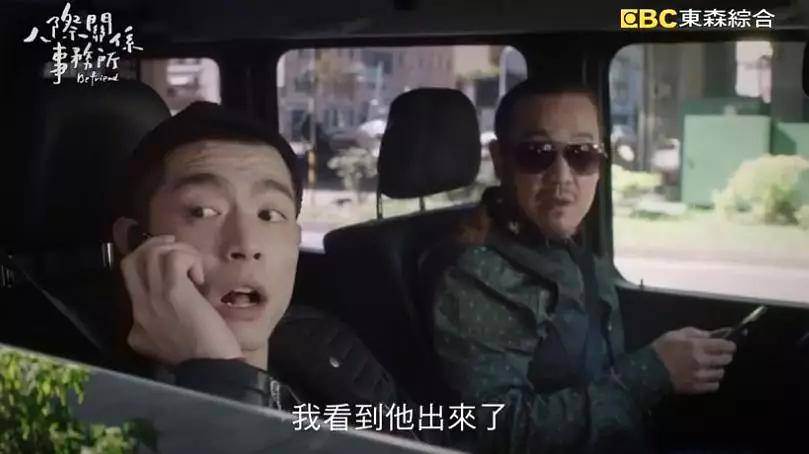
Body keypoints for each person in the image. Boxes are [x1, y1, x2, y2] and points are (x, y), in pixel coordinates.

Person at [431, 79, 737, 454]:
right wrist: (650, 374)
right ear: (500, 160)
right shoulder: (478, 276)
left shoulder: (562, 246)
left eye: (583, 154)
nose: (563, 177)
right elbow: (495, 431)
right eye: (537, 153)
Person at [110, 102, 410, 423]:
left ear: (295, 239)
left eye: (269, 214)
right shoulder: (93, 399)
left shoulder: (329, 348)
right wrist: (216, 371)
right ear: (134, 240)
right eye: (202, 212)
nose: (247, 244)